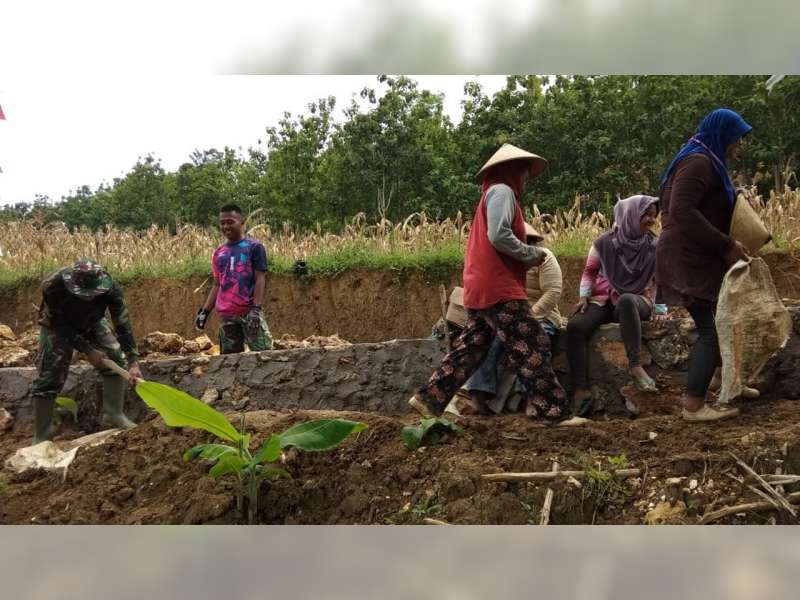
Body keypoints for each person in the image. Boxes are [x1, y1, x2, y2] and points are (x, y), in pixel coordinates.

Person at [407, 143, 570, 424]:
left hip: (480, 288)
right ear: (513, 170)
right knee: (533, 344)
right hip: (500, 289)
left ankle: (429, 398)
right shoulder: (502, 192)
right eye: (524, 172)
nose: (526, 179)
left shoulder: (489, 195)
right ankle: (551, 411)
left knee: (471, 347)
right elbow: (499, 235)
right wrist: (530, 254)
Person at [656, 108, 752, 422]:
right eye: (735, 140)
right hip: (688, 256)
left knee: (721, 322)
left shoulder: (704, 159)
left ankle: (722, 381)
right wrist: (726, 244)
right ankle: (694, 406)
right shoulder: (698, 162)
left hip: (696, 253)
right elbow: (681, 211)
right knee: (710, 330)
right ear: (721, 136)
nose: (736, 147)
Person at [566, 195, 667, 417]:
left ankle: (635, 366)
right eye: (645, 214)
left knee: (627, 300)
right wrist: (583, 296)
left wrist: (660, 308)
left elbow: (662, 279)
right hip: (604, 296)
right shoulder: (604, 243)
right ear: (630, 215)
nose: (651, 219)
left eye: (653, 215)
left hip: (637, 299)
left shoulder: (655, 246)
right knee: (575, 327)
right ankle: (581, 390)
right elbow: (590, 271)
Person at [454, 222, 564, 415]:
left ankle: (532, 399)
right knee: (485, 339)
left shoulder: (544, 258)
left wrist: (530, 318)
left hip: (541, 315)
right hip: (509, 316)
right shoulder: (501, 262)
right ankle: (478, 395)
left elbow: (553, 292)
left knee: (532, 343)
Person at [30, 259, 143, 444]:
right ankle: (42, 432)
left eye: (93, 294)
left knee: (115, 355)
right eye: (83, 294)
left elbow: (123, 324)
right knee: (49, 373)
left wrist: (133, 361)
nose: (88, 297)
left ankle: (114, 414)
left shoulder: (111, 288)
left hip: (92, 322)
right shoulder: (53, 286)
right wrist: (88, 350)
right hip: (57, 326)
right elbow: (59, 324)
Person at [196, 204, 273, 354]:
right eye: (222, 223)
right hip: (227, 315)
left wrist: (256, 309)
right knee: (230, 362)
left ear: (242, 222)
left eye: (230, 222)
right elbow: (217, 284)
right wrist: (204, 312)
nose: (226, 226)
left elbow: (260, 279)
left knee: (265, 356)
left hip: (249, 313)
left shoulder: (254, 248)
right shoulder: (219, 253)